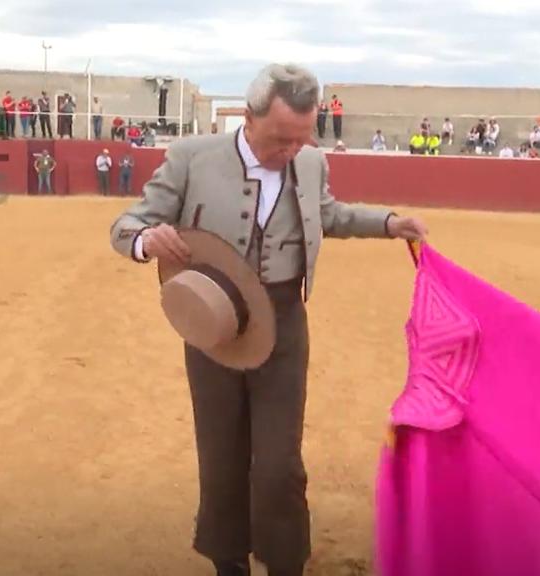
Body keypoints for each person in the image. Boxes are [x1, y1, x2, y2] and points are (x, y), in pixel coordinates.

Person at [108, 62, 427, 576]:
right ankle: (227, 562)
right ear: (249, 117)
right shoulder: (191, 158)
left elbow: (328, 214)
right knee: (221, 454)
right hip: (212, 325)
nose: (291, 152)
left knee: (280, 464)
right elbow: (128, 223)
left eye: (302, 139)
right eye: (281, 140)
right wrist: (145, 241)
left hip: (282, 323)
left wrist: (388, 223)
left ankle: (284, 562)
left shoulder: (310, 162)